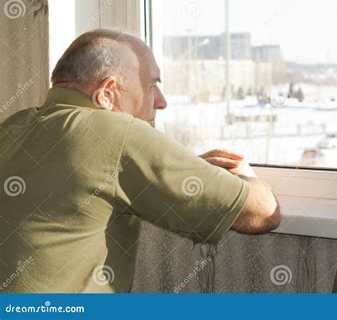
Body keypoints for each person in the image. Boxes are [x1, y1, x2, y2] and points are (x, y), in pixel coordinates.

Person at [0, 29, 280, 293]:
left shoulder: (13, 126)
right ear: (108, 93)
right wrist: (245, 175)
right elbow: (263, 211)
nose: (161, 101)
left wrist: (185, 168)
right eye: (152, 85)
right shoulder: (117, 133)